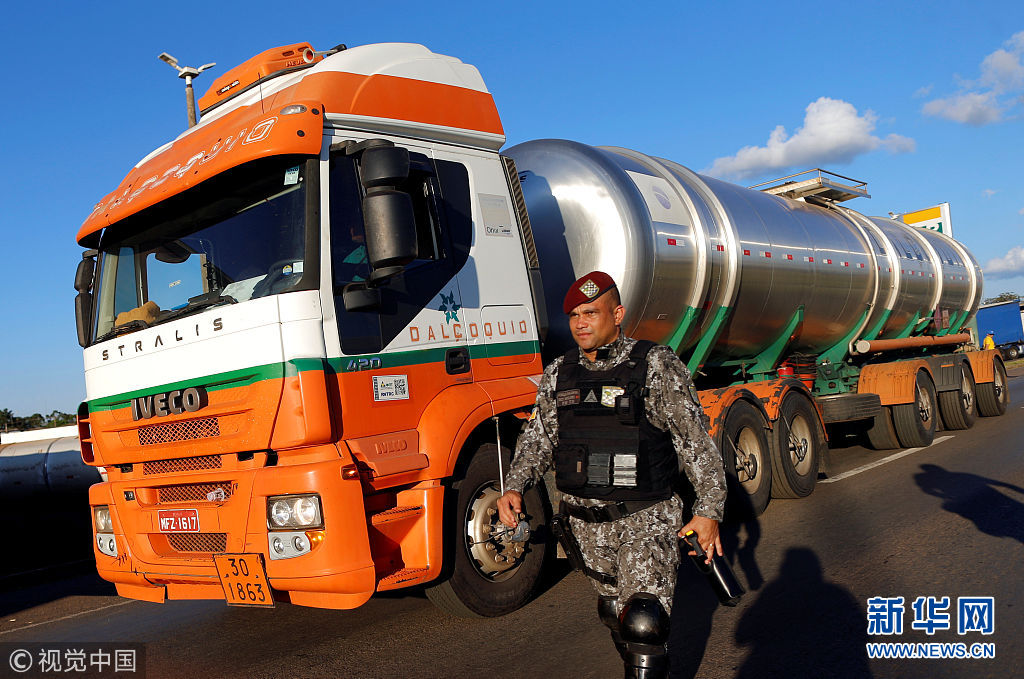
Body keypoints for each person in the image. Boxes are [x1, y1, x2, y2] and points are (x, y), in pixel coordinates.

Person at [497, 271, 727, 679]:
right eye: (574, 315)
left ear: (617, 314)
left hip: (645, 518)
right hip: (586, 528)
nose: (580, 323)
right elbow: (538, 438)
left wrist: (708, 510)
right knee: (615, 613)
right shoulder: (559, 373)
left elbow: (694, 440)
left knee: (644, 621)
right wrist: (514, 486)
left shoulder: (655, 365)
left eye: (591, 313)